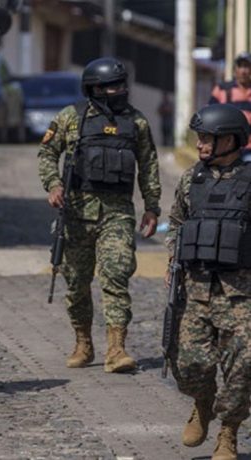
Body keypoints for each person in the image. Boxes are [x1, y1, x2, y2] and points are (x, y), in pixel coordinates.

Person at [37, 57, 161, 373]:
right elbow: (47, 153)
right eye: (112, 86)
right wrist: (53, 184)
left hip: (117, 214)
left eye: (122, 85)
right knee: (76, 283)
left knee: (116, 275)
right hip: (76, 214)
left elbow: (148, 165)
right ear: (95, 88)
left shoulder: (137, 122)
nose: (120, 91)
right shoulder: (71, 117)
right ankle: (83, 342)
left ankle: (117, 349)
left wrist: (152, 207)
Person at [165, 104, 251, 460]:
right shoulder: (192, 180)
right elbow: (176, 222)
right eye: (198, 138)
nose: (199, 145)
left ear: (229, 140)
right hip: (196, 288)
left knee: (245, 364)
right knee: (188, 365)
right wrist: (172, 260)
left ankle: (228, 432)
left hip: (241, 293)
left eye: (206, 138)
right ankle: (202, 402)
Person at [209, 52, 251, 160]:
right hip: (225, 150)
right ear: (235, 69)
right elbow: (210, 118)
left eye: (247, 66)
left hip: (249, 150)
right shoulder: (222, 89)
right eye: (240, 66)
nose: (243, 71)